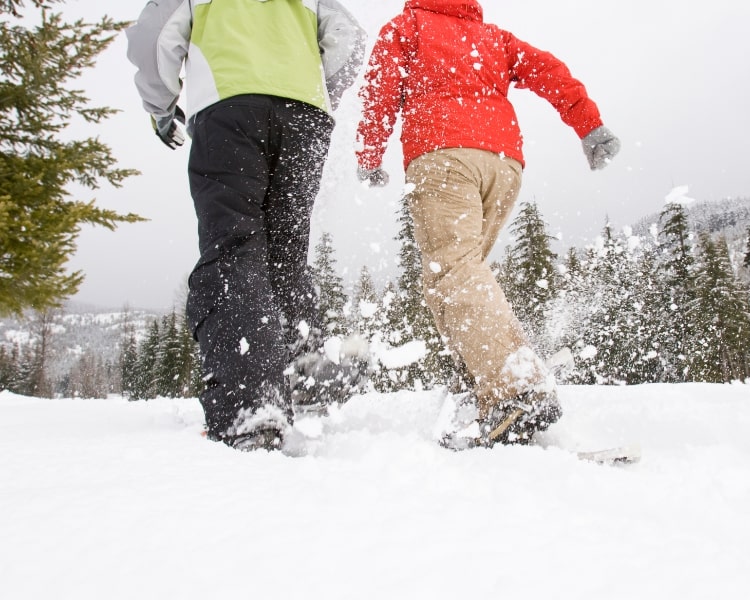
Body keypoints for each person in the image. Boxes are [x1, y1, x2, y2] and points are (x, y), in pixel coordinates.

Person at [355, 0, 620, 447]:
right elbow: (548, 70)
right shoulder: (493, 38)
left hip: (443, 154)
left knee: (454, 272)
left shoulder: (408, 26)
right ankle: (478, 384)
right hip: (503, 164)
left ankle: (514, 387)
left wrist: (369, 154)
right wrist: (588, 125)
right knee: (454, 276)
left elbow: (380, 87)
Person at [126, 0, 366, 452]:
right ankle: (304, 371)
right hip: (306, 116)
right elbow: (348, 39)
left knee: (236, 249)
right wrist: (314, 91)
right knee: (286, 251)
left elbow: (154, 38)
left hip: (230, 107)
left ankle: (253, 407)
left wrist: (161, 108)